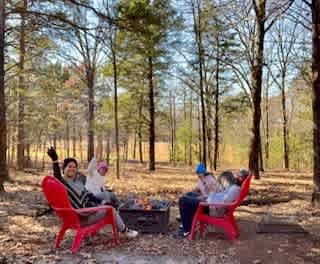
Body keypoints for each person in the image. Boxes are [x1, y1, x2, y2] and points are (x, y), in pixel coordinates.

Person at [47, 147, 138, 238]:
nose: (72, 169)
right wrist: (55, 160)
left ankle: (121, 223)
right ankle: (125, 231)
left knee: (107, 204)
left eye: (74, 167)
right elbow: (57, 176)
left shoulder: (77, 183)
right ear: (64, 169)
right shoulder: (63, 183)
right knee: (111, 210)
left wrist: (103, 202)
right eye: (69, 167)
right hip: (81, 217)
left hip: (83, 214)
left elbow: (89, 196)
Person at [174, 168, 250, 239]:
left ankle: (186, 230)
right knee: (190, 194)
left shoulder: (235, 190)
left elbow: (223, 204)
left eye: (238, 175)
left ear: (242, 178)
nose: (236, 176)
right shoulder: (235, 187)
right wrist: (207, 197)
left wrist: (207, 201)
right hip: (211, 201)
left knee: (183, 200)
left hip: (211, 208)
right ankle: (186, 223)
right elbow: (222, 196)